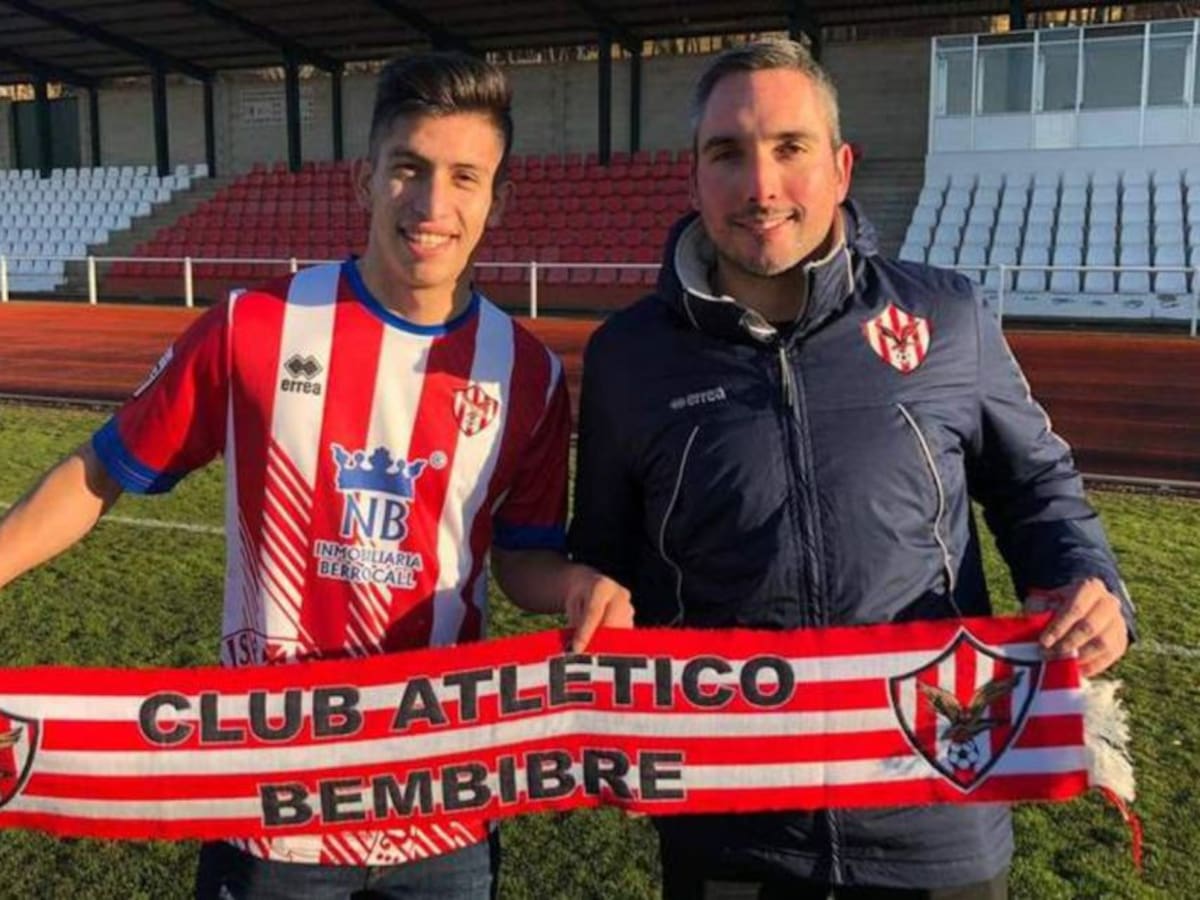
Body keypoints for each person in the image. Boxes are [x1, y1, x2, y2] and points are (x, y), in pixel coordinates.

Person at [0, 52, 630, 899]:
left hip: (442, 803)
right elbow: (100, 472)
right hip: (273, 799)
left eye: (464, 177)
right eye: (408, 168)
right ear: (363, 181)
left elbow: (521, 561)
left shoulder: (527, 375)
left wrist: (577, 584)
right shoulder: (253, 328)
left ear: (498, 199)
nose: (431, 204)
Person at [569, 39, 1134, 900]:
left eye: (790, 147)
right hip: (729, 824)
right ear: (693, 178)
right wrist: (598, 613)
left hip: (937, 813)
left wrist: (1089, 580)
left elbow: (1036, 487)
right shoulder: (626, 356)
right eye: (728, 153)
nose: (760, 186)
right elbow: (605, 554)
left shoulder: (947, 315)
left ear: (840, 167)